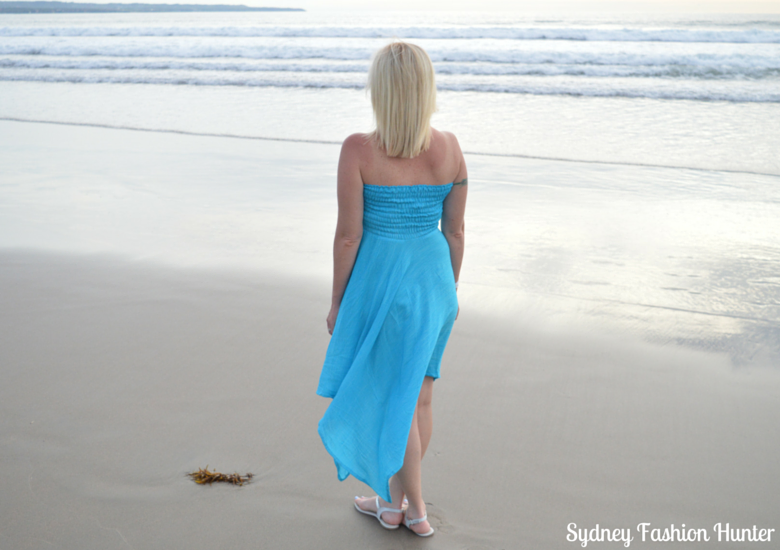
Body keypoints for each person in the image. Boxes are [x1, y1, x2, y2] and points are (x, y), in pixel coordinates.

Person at [316, 41, 467, 538]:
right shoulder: (450, 148)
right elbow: (456, 232)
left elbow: (348, 236)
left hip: (386, 285)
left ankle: (415, 510)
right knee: (419, 398)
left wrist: (338, 301)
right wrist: (449, 295)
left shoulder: (359, 149)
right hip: (435, 281)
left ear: (379, 90)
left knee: (395, 398)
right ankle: (391, 503)